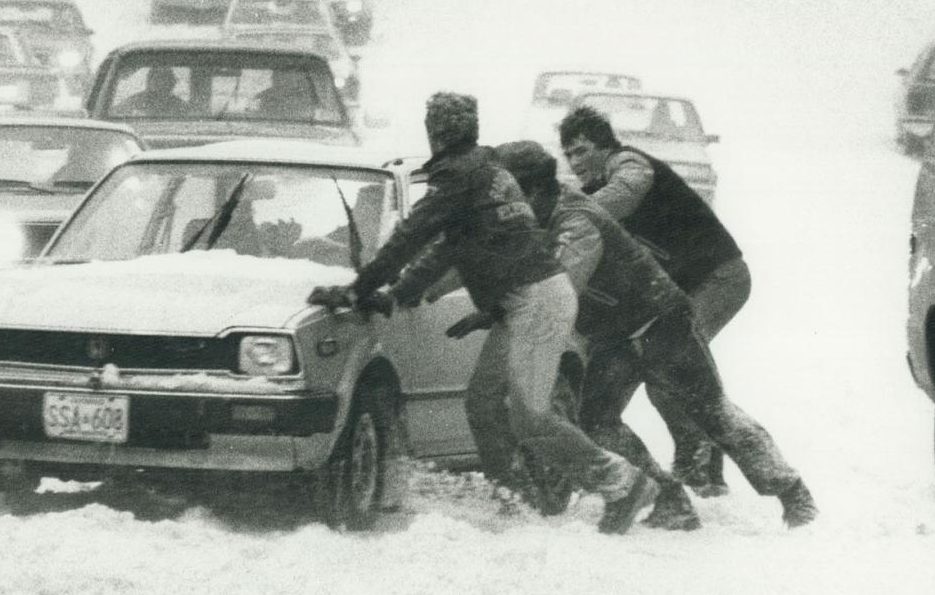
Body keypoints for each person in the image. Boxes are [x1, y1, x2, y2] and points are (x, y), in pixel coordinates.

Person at [307, 92, 660, 534]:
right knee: (484, 403)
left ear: (435, 133)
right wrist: (396, 294)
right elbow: (446, 248)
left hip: (538, 298)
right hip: (524, 299)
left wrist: (358, 288)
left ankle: (623, 483)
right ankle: (517, 498)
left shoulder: (461, 177)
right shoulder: (482, 173)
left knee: (531, 414)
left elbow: (411, 237)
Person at [493, 141, 818, 529]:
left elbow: (560, 283)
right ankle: (668, 499)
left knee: (710, 411)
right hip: (615, 336)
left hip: (661, 321)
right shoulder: (539, 220)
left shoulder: (575, 219)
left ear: (533, 191)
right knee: (597, 419)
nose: (502, 209)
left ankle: (793, 493)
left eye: (508, 196)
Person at [559, 104, 749, 497]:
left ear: (605, 145)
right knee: (671, 369)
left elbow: (625, 194)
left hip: (719, 277)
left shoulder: (628, 164)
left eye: (581, 150)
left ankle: (701, 466)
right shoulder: (594, 192)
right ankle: (699, 468)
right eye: (568, 154)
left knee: (673, 366)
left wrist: (568, 209)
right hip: (681, 289)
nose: (575, 161)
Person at [114, 66, 190, 118]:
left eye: (165, 79)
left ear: (172, 83)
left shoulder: (181, 106)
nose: (161, 83)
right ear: (149, 81)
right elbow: (115, 113)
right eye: (157, 79)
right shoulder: (134, 102)